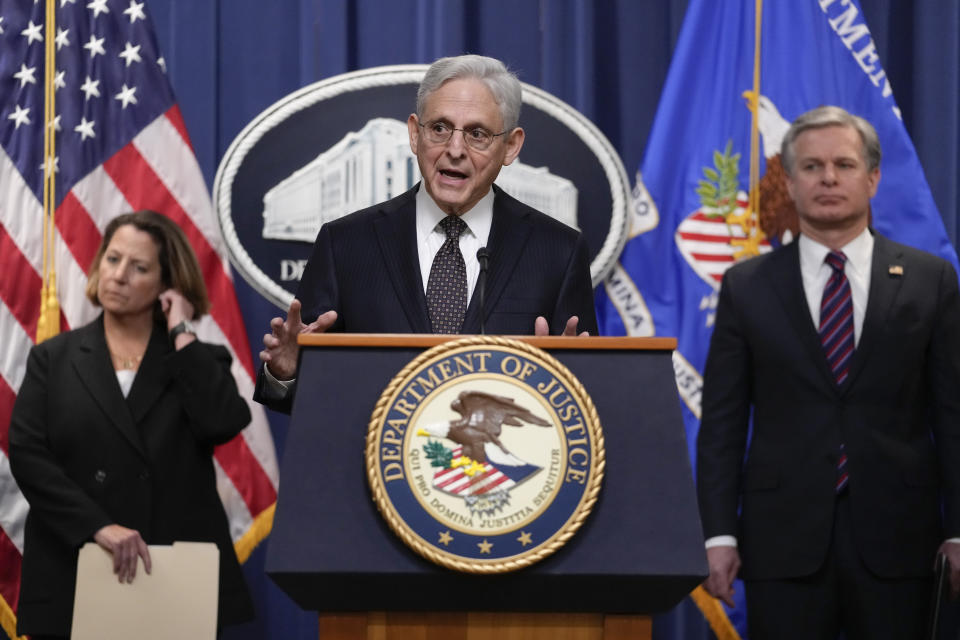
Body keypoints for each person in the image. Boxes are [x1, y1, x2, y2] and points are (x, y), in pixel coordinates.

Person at [696, 105, 960, 639]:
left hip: (901, 539)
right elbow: (722, 423)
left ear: (873, 178)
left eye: (844, 164)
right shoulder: (746, 286)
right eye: (812, 167)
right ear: (790, 183)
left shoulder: (930, 280)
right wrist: (718, 535)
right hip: (781, 540)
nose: (829, 178)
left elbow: (953, 416)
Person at [255, 54, 598, 410]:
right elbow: (303, 404)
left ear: (510, 146)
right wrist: (287, 373)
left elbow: (589, 401)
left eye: (477, 134)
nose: (454, 150)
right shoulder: (345, 245)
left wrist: (571, 381)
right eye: (439, 128)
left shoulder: (558, 251)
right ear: (415, 134)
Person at [9, 211, 254, 638]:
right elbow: (30, 458)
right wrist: (97, 526)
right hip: (75, 562)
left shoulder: (196, 359)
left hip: (167, 576)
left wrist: (180, 328)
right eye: (112, 259)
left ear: (167, 283)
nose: (119, 275)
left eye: (138, 267)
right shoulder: (53, 358)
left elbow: (223, 422)